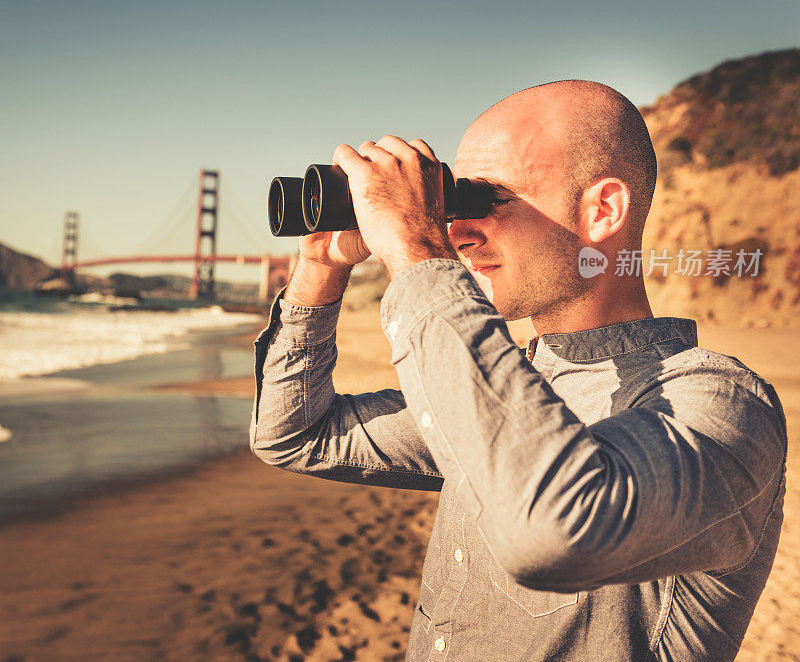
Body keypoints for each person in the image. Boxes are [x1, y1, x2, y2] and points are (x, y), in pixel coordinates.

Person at [250, 80, 786, 662]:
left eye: (488, 200)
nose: (456, 231)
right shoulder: (510, 382)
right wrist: (319, 269)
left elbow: (556, 529)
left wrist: (416, 248)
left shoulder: (723, 405)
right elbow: (294, 435)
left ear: (603, 211)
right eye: (452, 204)